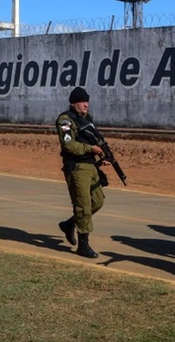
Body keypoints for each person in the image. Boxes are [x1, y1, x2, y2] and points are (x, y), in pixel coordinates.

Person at [55, 87, 109, 259]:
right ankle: (83, 245)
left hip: (91, 166)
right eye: (82, 102)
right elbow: (69, 145)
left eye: (87, 101)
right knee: (83, 206)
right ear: (73, 103)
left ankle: (70, 224)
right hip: (77, 168)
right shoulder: (66, 120)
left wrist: (100, 154)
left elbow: (93, 139)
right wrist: (90, 148)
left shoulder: (87, 119)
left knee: (98, 201)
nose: (86, 104)